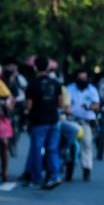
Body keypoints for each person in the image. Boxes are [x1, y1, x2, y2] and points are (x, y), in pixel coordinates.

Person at [24, 54, 63, 189]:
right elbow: (61, 103)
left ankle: (36, 178)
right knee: (52, 149)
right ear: (48, 67)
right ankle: (55, 175)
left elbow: (29, 105)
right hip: (54, 119)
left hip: (38, 121)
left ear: (35, 67)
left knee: (37, 150)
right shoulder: (56, 83)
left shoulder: (32, 84)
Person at [66, 67, 100, 181]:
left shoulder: (92, 90)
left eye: (84, 78)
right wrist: (67, 108)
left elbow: (96, 104)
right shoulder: (70, 88)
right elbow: (64, 102)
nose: (82, 80)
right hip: (71, 120)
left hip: (85, 121)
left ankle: (87, 168)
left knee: (86, 144)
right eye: (80, 78)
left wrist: (90, 107)